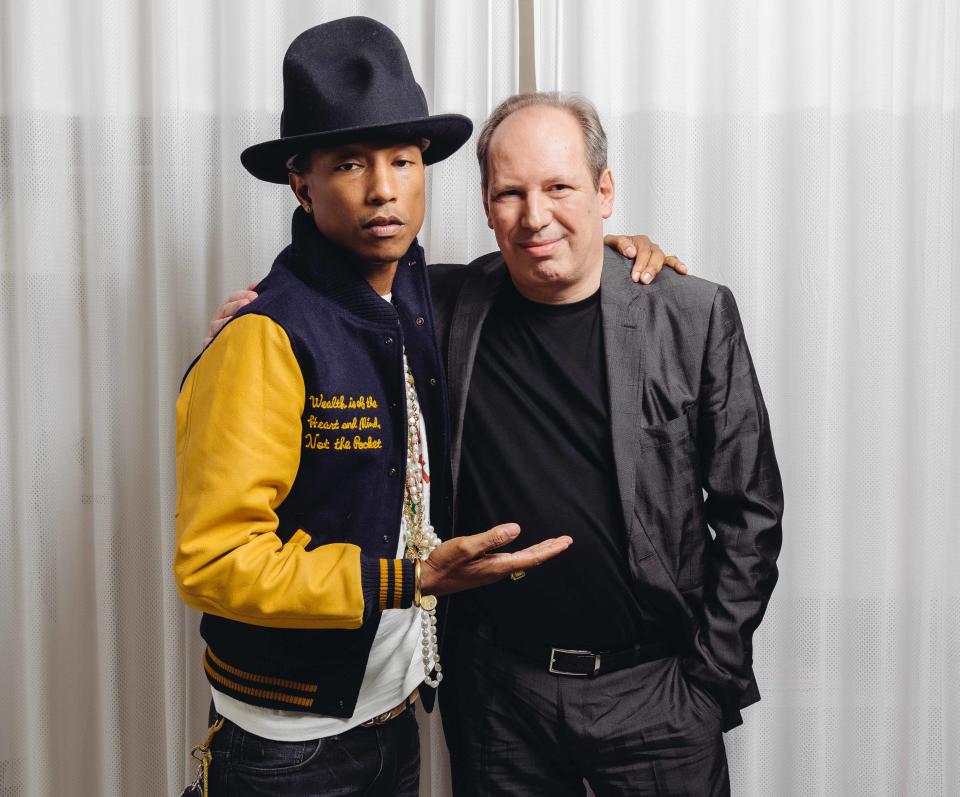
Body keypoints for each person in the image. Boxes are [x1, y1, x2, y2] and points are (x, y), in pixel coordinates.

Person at [173, 18, 579, 796]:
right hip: (290, 747)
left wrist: (612, 243)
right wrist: (408, 577)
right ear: (302, 180)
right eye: (351, 163)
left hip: (394, 718)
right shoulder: (265, 336)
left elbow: (542, 259)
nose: (384, 188)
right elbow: (214, 560)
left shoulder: (423, 301)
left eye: (403, 159)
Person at [427, 93, 784, 796]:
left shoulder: (691, 313)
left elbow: (751, 512)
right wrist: (263, 304)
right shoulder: (446, 305)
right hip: (500, 696)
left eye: (560, 186)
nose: (535, 216)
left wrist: (707, 681)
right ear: (485, 203)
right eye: (510, 193)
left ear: (604, 190)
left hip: (656, 692)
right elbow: (336, 290)